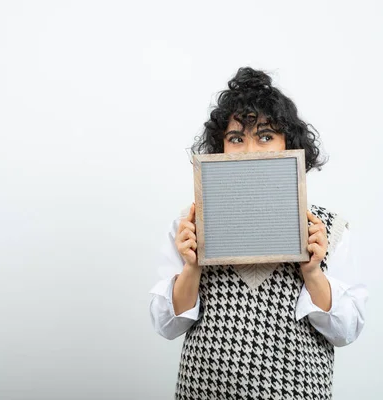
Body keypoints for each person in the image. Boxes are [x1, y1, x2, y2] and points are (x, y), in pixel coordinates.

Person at [149, 67, 369, 399]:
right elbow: (167, 326)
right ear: (220, 148)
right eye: (236, 138)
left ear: (288, 145)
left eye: (265, 136)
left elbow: (346, 331)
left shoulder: (328, 230)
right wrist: (192, 266)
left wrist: (312, 271)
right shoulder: (189, 226)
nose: (250, 149)